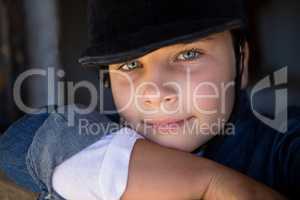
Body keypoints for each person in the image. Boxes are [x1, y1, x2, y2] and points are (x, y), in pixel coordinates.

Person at [0, 0, 299, 199]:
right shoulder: (101, 136)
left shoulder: (283, 147)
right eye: (129, 65)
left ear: (242, 62)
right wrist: (212, 183)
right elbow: (22, 143)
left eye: (189, 54)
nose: (155, 93)